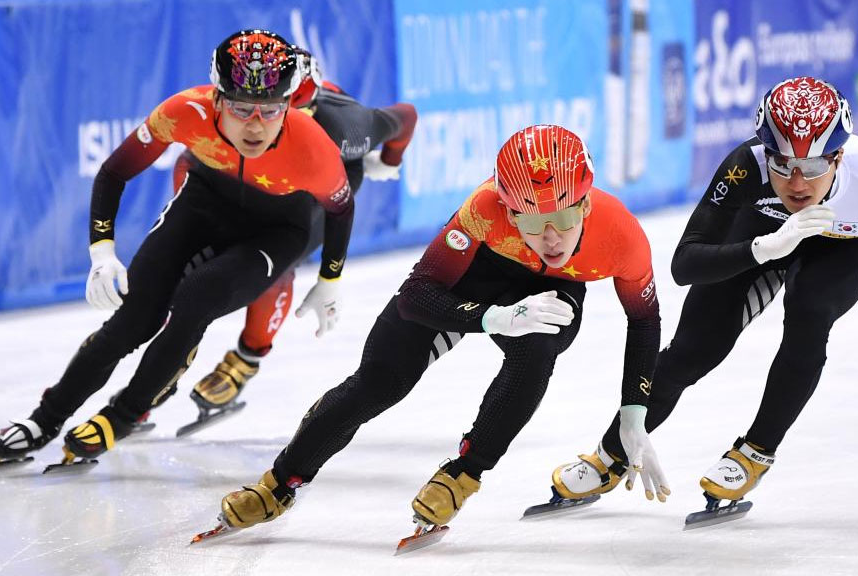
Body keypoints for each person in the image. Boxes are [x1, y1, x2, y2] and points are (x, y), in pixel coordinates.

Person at [204, 124, 669, 538]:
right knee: (378, 384)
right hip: (475, 280)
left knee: (540, 344)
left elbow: (644, 321)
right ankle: (281, 480)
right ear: (508, 210)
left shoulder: (620, 234)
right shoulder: (486, 208)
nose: (550, 238)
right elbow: (416, 295)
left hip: (554, 290)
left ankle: (464, 472)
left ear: (585, 203)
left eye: (564, 219)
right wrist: (492, 317)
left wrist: (633, 414)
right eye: (530, 221)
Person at [549, 76, 858, 511]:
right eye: (782, 165)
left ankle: (756, 451)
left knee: (809, 309)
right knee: (692, 351)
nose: (797, 183)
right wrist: (762, 248)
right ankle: (611, 455)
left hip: (846, 244)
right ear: (765, 154)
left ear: (838, 157)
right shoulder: (745, 167)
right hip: (764, 234)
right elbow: (684, 265)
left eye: (814, 167)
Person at [0, 29, 351, 468]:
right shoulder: (183, 111)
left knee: (197, 299)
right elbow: (115, 171)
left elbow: (340, 211)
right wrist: (101, 250)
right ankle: (45, 419)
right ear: (215, 98)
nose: (254, 124)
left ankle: (124, 414)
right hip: (204, 206)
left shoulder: (313, 147)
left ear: (288, 104)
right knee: (134, 317)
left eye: (270, 111)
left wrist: (330, 279)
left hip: (275, 230)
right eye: (240, 107)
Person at [180, 47, 417, 420]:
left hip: (314, 187)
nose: (269, 128)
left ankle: (246, 359)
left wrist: (387, 161)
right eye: (254, 109)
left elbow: (406, 117)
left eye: (286, 114)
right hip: (245, 178)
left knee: (275, 261)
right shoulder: (232, 116)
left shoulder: (347, 127)